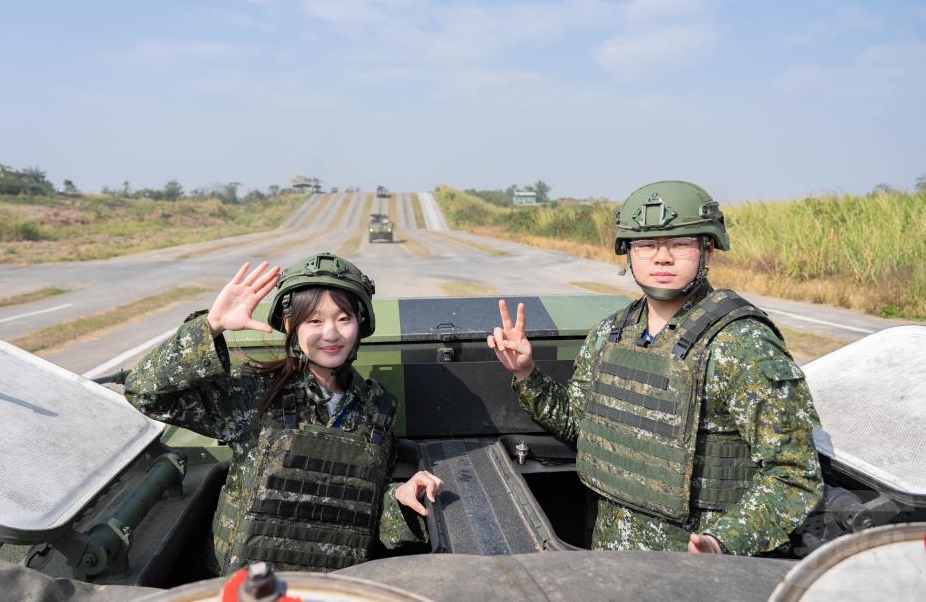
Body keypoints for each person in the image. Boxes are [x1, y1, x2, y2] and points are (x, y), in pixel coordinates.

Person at [488, 181, 823, 556]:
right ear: (628, 254)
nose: (662, 258)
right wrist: (526, 373)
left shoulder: (741, 345)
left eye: (680, 244)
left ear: (707, 249)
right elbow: (581, 427)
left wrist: (723, 542)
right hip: (611, 560)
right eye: (646, 245)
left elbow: (795, 476)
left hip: (694, 571)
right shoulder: (611, 334)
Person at [125, 252, 443, 575]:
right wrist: (211, 327)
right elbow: (145, 393)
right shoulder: (255, 394)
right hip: (246, 589)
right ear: (291, 326)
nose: (331, 333)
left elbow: (365, 512)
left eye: (343, 318)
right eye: (315, 321)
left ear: (360, 323)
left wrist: (399, 497)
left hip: (330, 591)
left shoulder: (377, 409)